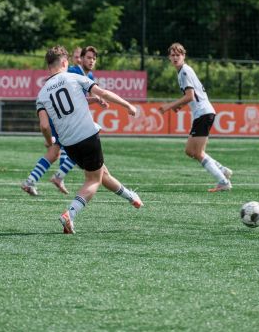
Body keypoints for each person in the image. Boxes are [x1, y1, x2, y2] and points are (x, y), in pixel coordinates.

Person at [36, 45, 143, 234]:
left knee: (102, 173)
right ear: (64, 62)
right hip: (87, 136)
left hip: (69, 144)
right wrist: (127, 105)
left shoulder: (42, 94)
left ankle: (131, 196)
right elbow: (103, 93)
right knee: (94, 180)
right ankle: (70, 213)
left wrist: (50, 142)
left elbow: (44, 126)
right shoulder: (74, 77)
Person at [21, 46, 99, 196]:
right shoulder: (73, 72)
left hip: (66, 118)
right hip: (63, 119)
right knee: (79, 147)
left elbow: (77, 100)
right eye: (84, 57)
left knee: (55, 152)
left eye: (93, 58)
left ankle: (32, 181)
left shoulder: (89, 76)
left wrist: (94, 99)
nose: (90, 60)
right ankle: (58, 176)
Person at [158, 42, 232, 192]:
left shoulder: (184, 72)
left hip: (203, 113)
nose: (175, 58)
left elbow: (190, 96)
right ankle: (222, 169)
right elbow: (192, 95)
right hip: (203, 113)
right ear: (169, 58)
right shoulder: (183, 71)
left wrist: (169, 106)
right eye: (172, 55)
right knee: (190, 151)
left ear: (183, 56)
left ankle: (223, 181)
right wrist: (179, 105)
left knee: (197, 153)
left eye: (178, 55)